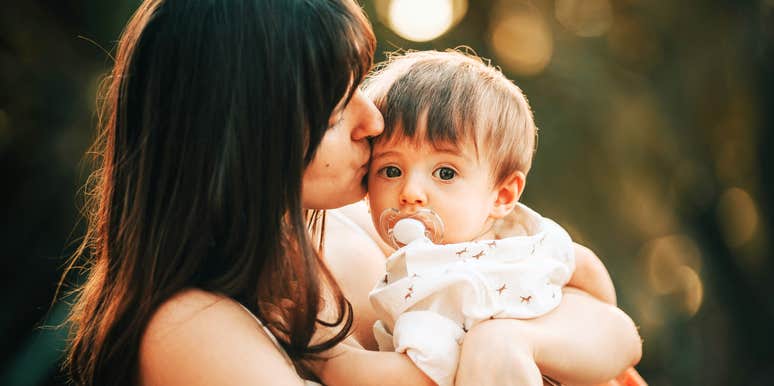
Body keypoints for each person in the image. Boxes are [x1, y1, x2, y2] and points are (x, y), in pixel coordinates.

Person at [61, 0, 639, 385]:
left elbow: (603, 317)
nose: (373, 120)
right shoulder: (192, 330)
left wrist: (510, 339)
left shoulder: (359, 231)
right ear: (252, 135)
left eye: (359, 87)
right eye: (339, 108)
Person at [318, 50, 643, 386]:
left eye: (445, 172)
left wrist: (332, 358)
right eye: (391, 170)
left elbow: (585, 271)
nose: (411, 191)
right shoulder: (422, 280)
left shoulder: (441, 279)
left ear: (502, 196)